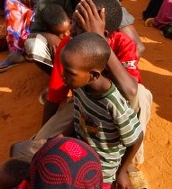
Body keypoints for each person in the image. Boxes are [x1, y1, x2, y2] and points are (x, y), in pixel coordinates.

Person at [19, 0, 145, 72]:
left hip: (101, 62)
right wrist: (50, 37)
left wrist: (111, 74)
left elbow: (138, 47)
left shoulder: (108, 1)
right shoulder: (55, 0)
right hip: (72, 55)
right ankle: (62, 81)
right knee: (33, 44)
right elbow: (34, 31)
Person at [59, 32, 144, 186]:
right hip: (81, 152)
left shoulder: (112, 102)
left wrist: (121, 172)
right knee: (50, 164)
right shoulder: (79, 86)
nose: (62, 76)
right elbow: (80, 117)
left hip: (103, 169)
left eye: (69, 73)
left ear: (93, 75)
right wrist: (61, 137)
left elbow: (137, 137)